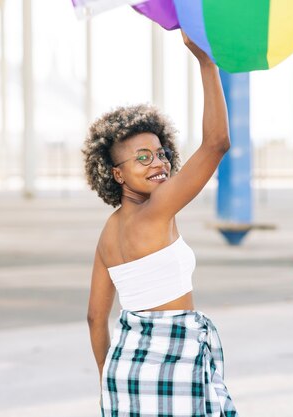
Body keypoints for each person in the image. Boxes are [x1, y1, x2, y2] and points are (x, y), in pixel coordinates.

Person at [83, 32, 239, 417]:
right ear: (116, 174)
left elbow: (95, 317)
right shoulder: (155, 211)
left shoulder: (109, 231)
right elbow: (217, 142)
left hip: (126, 369)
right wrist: (206, 62)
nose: (159, 163)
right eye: (142, 158)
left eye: (161, 152)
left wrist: (111, 384)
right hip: (175, 359)